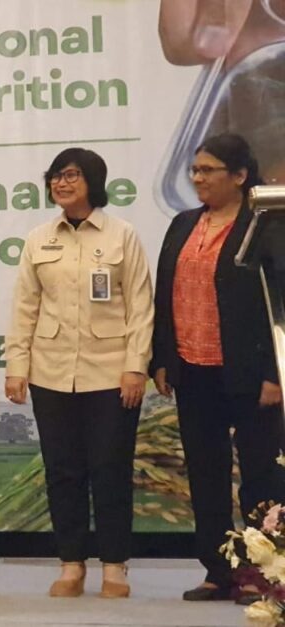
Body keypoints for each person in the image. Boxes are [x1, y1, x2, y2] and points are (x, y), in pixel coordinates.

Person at [5, 147, 154, 599]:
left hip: (111, 374)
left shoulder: (122, 235)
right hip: (50, 373)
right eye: (55, 176)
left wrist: (136, 367)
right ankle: (71, 564)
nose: (61, 183)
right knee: (62, 471)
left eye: (71, 175)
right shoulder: (38, 239)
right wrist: (17, 367)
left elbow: (140, 307)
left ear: (93, 181)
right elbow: (25, 307)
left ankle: (114, 565)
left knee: (110, 470)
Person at [151, 133, 284, 603]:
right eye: (195, 170)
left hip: (251, 374)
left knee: (261, 477)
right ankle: (218, 570)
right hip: (193, 371)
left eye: (207, 170)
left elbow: (280, 304)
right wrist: (161, 359)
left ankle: (263, 575)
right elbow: (164, 294)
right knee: (205, 476)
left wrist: (274, 373)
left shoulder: (265, 225)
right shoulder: (184, 223)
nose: (197, 178)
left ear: (240, 176)